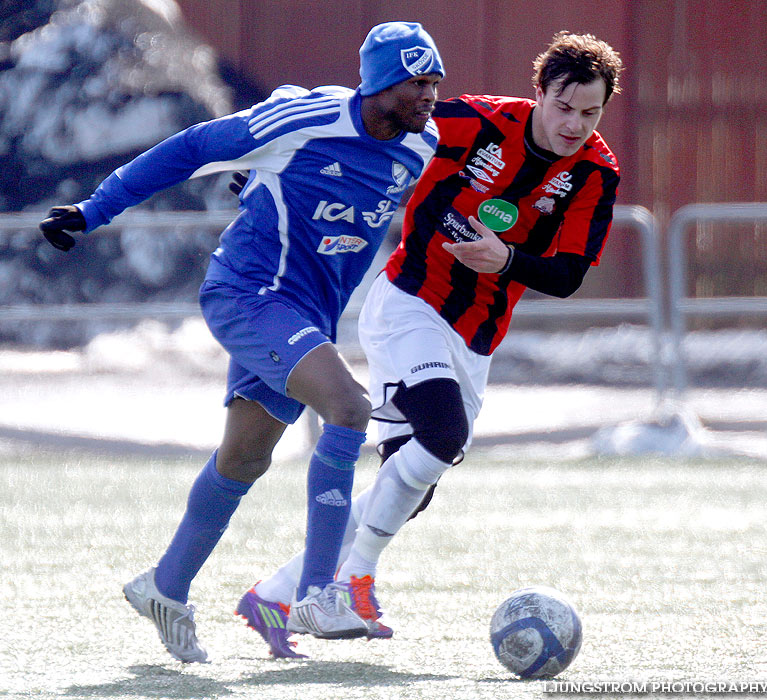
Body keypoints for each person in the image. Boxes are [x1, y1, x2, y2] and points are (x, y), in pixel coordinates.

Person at [39, 21, 444, 663]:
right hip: (249, 294)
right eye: (418, 83)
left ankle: (165, 587)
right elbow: (191, 148)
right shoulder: (304, 120)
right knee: (348, 408)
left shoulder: (421, 148)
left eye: (434, 83)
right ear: (380, 84)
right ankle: (315, 593)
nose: (429, 96)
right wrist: (95, 210)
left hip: (304, 315)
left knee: (244, 459)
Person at [235, 30, 623, 659]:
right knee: (441, 437)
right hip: (409, 304)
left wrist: (508, 259)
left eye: (590, 112)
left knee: (410, 486)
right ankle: (353, 580)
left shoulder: (596, 173)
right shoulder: (474, 121)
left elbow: (570, 274)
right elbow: (369, 118)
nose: (574, 124)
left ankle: (275, 596)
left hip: (476, 337)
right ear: (539, 94)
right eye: (563, 106)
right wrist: (274, 159)